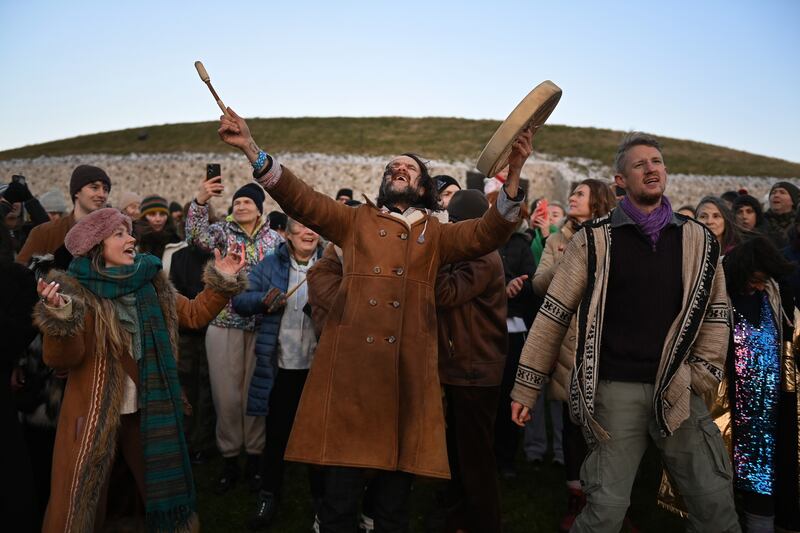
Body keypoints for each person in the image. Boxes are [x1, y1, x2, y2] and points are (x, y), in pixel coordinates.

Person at [217, 106, 529, 532]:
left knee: (393, 509)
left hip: (407, 382)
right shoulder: (357, 221)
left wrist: (514, 174)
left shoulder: (436, 235)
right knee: (340, 504)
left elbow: (489, 232)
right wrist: (252, 148)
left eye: (408, 167)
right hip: (353, 384)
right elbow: (303, 199)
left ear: (423, 188)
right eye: (392, 166)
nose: (398, 168)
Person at [510, 132, 739, 532]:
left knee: (714, 505)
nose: (652, 168)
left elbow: (717, 314)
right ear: (619, 181)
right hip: (614, 391)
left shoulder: (699, 240)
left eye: (657, 161)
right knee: (604, 510)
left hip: (678, 388)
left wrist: (701, 373)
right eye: (640, 164)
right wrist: (527, 387)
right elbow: (553, 314)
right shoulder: (593, 240)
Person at [33, 207, 247, 532]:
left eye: (129, 231)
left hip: (147, 413)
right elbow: (63, 359)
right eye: (119, 233)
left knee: (158, 494)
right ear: (96, 247)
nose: (132, 238)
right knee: (81, 508)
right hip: (92, 418)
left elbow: (192, 315)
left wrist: (223, 280)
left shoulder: (151, 283)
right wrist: (60, 318)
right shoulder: (74, 293)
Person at [531, 178, 617, 532]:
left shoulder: (617, 238)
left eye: (580, 193)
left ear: (598, 202)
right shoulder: (556, 240)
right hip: (569, 342)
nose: (572, 197)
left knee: (610, 424)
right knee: (570, 420)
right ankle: (575, 495)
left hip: (609, 340)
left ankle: (610, 498)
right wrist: (566, 261)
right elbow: (539, 285)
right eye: (573, 192)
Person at [186, 176, 281, 493]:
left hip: (260, 326)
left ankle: (254, 458)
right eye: (237, 201)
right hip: (223, 324)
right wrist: (200, 202)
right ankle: (229, 458)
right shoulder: (221, 233)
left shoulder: (275, 242)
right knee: (226, 397)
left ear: (259, 209)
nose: (240, 205)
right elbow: (195, 236)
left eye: (247, 202)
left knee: (255, 397)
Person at [232, 218, 325, 529]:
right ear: (287, 233)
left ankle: (322, 503)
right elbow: (240, 301)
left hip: (319, 369)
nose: (309, 232)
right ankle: (269, 495)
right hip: (281, 367)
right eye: (301, 226)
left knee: (318, 438)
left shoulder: (330, 266)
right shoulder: (270, 265)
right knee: (276, 437)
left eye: (314, 226)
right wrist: (262, 299)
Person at [435, 189, 508, 533]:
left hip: (475, 370)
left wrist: (429, 256)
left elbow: (446, 293)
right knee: (460, 455)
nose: (449, 230)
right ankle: (459, 519)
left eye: (453, 223)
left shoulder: (481, 255)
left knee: (475, 459)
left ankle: (483, 523)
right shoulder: (471, 252)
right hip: (463, 367)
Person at [722, 237, 800, 532]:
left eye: (763, 280)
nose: (758, 286)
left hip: (770, 417)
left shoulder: (776, 298)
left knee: (763, 483)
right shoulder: (720, 298)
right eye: (755, 279)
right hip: (728, 412)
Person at [17, 165, 111, 266]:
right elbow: (18, 275)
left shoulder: (114, 233)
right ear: (77, 192)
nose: (102, 194)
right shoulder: (45, 233)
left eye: (105, 189)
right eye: (94, 187)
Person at [135, 194, 182, 259]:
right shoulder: (134, 244)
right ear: (143, 217)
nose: (158, 219)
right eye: (152, 214)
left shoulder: (178, 245)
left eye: (162, 214)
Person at [763, 181, 800, 248]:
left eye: (782, 192)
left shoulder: (797, 224)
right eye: (773, 192)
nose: (776, 195)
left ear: (793, 200)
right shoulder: (760, 221)